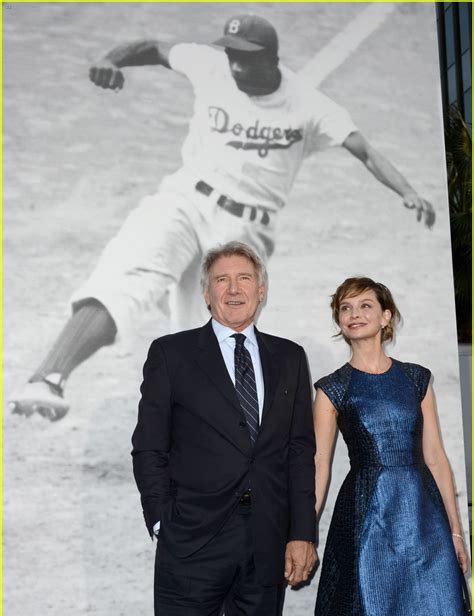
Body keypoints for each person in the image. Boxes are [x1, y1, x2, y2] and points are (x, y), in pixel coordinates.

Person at [10, 13, 436, 421]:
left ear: (271, 58)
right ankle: (48, 378)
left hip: (243, 231)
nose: (235, 65)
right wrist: (110, 59)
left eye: (247, 58)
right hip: (183, 198)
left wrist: (409, 192)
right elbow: (155, 48)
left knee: (208, 339)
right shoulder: (211, 65)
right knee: (125, 276)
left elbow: (363, 149)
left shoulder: (309, 106)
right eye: (231, 54)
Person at [131, 241, 316, 616]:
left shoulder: (289, 357)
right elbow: (149, 447)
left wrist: (302, 533)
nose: (234, 289)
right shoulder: (170, 354)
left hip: (267, 546)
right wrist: (163, 521)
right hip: (191, 542)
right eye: (221, 280)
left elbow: (298, 452)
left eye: (244, 278)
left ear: (262, 289)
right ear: (207, 294)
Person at [312, 276, 468, 616]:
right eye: (345, 308)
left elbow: (435, 457)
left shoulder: (417, 378)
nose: (354, 314)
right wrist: (301, 530)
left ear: (385, 317)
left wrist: (455, 532)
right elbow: (319, 465)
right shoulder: (332, 389)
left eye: (365, 306)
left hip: (425, 522)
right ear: (339, 322)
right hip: (369, 524)